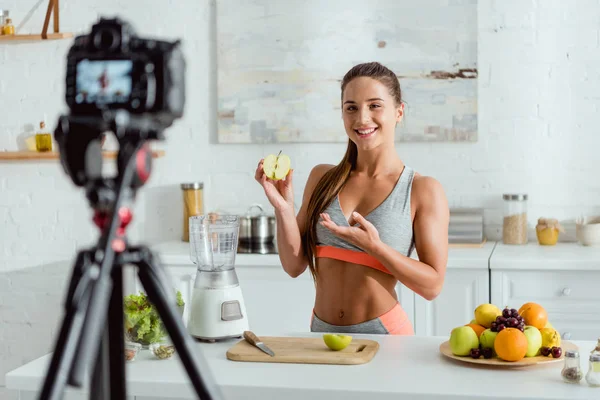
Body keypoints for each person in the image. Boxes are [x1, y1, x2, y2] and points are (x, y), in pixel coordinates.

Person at [254, 61, 449, 335]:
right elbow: (293, 265)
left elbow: (432, 286)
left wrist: (376, 248)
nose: (362, 119)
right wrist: (283, 209)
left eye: (375, 105)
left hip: (385, 335)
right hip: (322, 333)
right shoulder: (322, 178)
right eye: (351, 108)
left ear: (399, 112)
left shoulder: (421, 189)